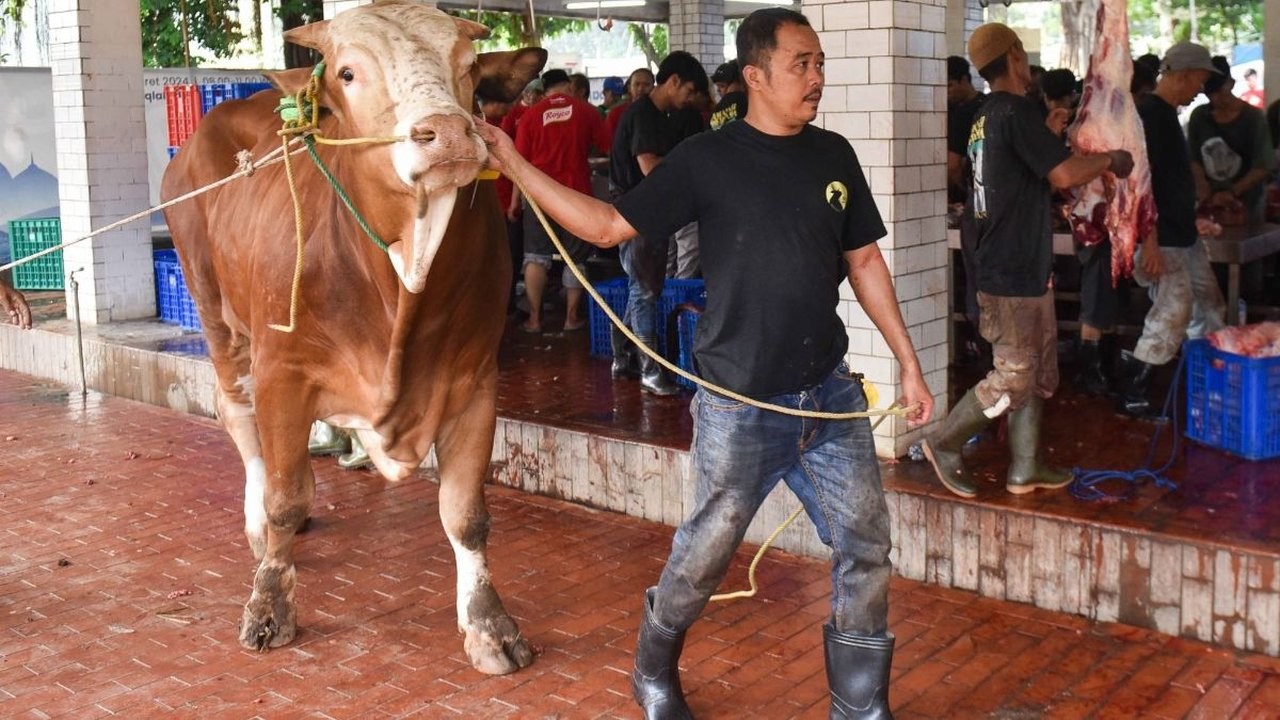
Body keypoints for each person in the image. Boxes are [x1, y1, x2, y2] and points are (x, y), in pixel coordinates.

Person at [476, 9, 933, 717]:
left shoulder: (833, 154)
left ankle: (860, 705)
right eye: (801, 64)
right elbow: (607, 226)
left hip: (830, 398)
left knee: (866, 545)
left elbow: (865, 260)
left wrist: (909, 362)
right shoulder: (705, 159)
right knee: (705, 556)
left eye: (820, 63)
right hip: (740, 407)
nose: (817, 76)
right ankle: (652, 668)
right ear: (755, 76)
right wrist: (511, 161)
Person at [921, 23, 1134, 499]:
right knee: (1015, 375)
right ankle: (944, 442)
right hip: (1010, 268)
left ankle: (1026, 465)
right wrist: (1111, 160)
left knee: (1035, 371)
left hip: (1018, 264)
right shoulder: (1014, 110)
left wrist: (1048, 134)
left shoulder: (987, 114)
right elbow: (1064, 174)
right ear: (1016, 56)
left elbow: (1021, 170)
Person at [1117, 42, 1228, 418]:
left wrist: (1189, 217)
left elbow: (1169, 182)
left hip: (1182, 234)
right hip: (1162, 238)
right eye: (1200, 80)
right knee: (1173, 310)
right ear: (1183, 75)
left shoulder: (1166, 115)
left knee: (1209, 304)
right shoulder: (1150, 115)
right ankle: (1134, 391)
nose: (1201, 89)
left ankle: (1210, 379)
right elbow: (1139, 183)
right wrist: (1149, 240)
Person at [607, 52, 707, 395]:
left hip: (647, 212)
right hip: (636, 213)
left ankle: (622, 357)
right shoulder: (644, 115)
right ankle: (649, 371)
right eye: (689, 90)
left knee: (644, 287)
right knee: (645, 291)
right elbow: (650, 167)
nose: (690, 99)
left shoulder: (658, 115)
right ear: (674, 81)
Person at [511, 69, 612, 333]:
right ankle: (571, 318)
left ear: (544, 89)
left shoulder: (530, 116)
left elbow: (517, 164)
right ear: (568, 85)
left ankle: (534, 319)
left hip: (538, 196)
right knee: (575, 259)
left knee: (535, 257)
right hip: (576, 197)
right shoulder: (587, 112)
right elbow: (607, 146)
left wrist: (514, 202)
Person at [1187, 56, 1275, 224]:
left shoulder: (1253, 118)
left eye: (1219, 91)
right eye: (1210, 93)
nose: (1215, 98)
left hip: (1248, 203)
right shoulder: (1200, 116)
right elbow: (1194, 158)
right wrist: (1203, 186)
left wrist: (1232, 192)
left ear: (1231, 83)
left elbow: (1263, 166)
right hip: (1210, 203)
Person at [946, 55, 987, 365]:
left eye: (949, 85)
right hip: (992, 203)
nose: (946, 92)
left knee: (975, 279)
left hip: (975, 203)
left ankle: (979, 345)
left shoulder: (962, 115)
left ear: (963, 80)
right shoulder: (990, 107)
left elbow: (953, 165)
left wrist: (965, 192)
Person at [606, 67, 656, 139]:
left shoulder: (660, 111)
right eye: (637, 84)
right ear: (629, 88)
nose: (641, 89)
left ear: (653, 88)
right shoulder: (616, 114)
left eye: (646, 85)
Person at [709, 59, 747, 130]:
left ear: (739, 84)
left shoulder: (737, 102)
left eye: (722, 86)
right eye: (717, 86)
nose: (718, 90)